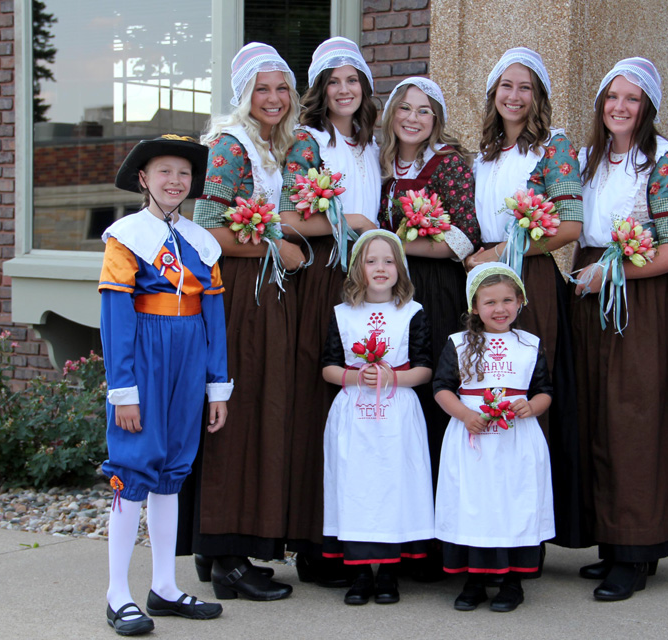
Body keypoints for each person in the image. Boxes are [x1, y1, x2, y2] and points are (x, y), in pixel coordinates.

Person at [572, 57, 668, 602]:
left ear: (647, 107)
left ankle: (637, 549)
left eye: (631, 99)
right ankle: (613, 540)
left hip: (642, 303)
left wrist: (611, 272)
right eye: (611, 97)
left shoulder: (665, 161)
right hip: (592, 298)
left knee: (637, 421)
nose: (619, 108)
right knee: (598, 416)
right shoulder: (589, 159)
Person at [99, 134, 233, 635]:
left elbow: (214, 316)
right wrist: (124, 391)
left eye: (183, 173)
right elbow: (116, 317)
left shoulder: (202, 243)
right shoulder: (126, 237)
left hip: (189, 354)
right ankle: (118, 593)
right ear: (143, 179)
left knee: (174, 467)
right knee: (135, 466)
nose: (175, 182)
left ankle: (165, 586)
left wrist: (216, 384)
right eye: (164, 172)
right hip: (145, 353)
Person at [184, 42, 303, 602]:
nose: (274, 98)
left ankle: (218, 551)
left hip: (266, 298)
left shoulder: (280, 146)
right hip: (239, 299)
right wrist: (277, 250)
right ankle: (228, 559)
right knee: (235, 412)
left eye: (282, 88)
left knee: (257, 412)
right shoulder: (230, 146)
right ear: (243, 95)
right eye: (263, 88)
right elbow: (208, 230)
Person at [463, 47, 584, 549]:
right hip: (485, 283)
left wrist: (504, 249)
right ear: (494, 95)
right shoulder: (482, 155)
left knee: (529, 396)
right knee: (487, 393)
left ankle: (531, 532)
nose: (515, 96)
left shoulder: (553, 146)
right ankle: (485, 526)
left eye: (525, 87)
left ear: (539, 97)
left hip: (531, 279)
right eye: (506, 86)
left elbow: (570, 225)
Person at [277, 36, 380, 586]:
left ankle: (359, 535)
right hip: (323, 279)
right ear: (320, 90)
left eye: (353, 79)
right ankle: (316, 544)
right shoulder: (308, 142)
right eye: (334, 80)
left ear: (364, 87)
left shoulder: (370, 144)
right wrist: (354, 223)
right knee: (322, 399)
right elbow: (291, 217)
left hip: (366, 281)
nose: (344, 89)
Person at [377, 76, 480, 499]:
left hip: (434, 289)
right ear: (391, 114)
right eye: (405, 107)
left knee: (428, 389)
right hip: (388, 288)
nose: (413, 118)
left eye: (424, 110)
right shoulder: (379, 162)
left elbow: (464, 237)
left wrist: (397, 243)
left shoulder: (448, 163)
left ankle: (436, 527)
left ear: (435, 118)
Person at [320, 229, 435, 606]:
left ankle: (388, 573)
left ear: (400, 268)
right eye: (372, 261)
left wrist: (393, 377)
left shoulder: (411, 312)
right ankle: (358, 573)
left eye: (389, 261)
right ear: (358, 269)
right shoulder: (343, 314)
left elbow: (425, 368)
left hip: (397, 412)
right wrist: (356, 377)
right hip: (354, 411)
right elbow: (328, 367)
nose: (381, 268)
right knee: (356, 486)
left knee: (393, 485)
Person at [433, 263, 555, 613]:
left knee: (512, 504)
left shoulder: (529, 344)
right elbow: (442, 387)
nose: (499, 309)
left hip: (516, 441)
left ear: (520, 302)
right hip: (474, 440)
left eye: (507, 300)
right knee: (476, 505)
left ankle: (512, 582)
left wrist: (532, 406)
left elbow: (545, 390)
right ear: (474, 307)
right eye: (490, 302)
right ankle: (474, 581)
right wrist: (466, 415)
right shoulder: (459, 344)